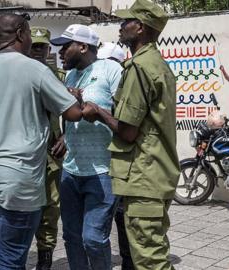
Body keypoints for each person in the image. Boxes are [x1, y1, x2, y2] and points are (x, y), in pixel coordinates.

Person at [0, 14, 83, 269]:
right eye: (29, 35)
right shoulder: (35, 69)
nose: (31, 42)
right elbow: (73, 113)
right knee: (11, 258)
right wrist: (77, 98)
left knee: (9, 249)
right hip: (19, 182)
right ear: (20, 34)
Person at [82, 0, 180, 269]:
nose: (121, 26)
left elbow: (128, 131)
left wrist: (99, 112)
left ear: (141, 28)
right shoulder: (157, 64)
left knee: (150, 260)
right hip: (155, 172)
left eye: (127, 21)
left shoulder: (139, 68)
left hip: (144, 174)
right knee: (152, 251)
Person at [50, 24, 122, 270]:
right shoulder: (69, 76)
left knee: (93, 238)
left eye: (65, 47)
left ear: (83, 46)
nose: (59, 52)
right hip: (71, 171)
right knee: (71, 237)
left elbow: (124, 119)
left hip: (102, 171)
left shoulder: (111, 69)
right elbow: (70, 116)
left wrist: (98, 110)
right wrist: (64, 137)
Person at [29, 26, 66, 270]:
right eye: (34, 46)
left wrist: (67, 136)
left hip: (51, 153)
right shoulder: (16, 75)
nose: (39, 51)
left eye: (42, 46)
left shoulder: (59, 76)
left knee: (51, 207)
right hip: (23, 152)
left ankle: (45, 256)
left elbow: (75, 111)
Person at [97, 41, 134, 270]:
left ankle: (128, 262)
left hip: (120, 159)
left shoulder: (124, 79)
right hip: (103, 162)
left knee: (122, 216)